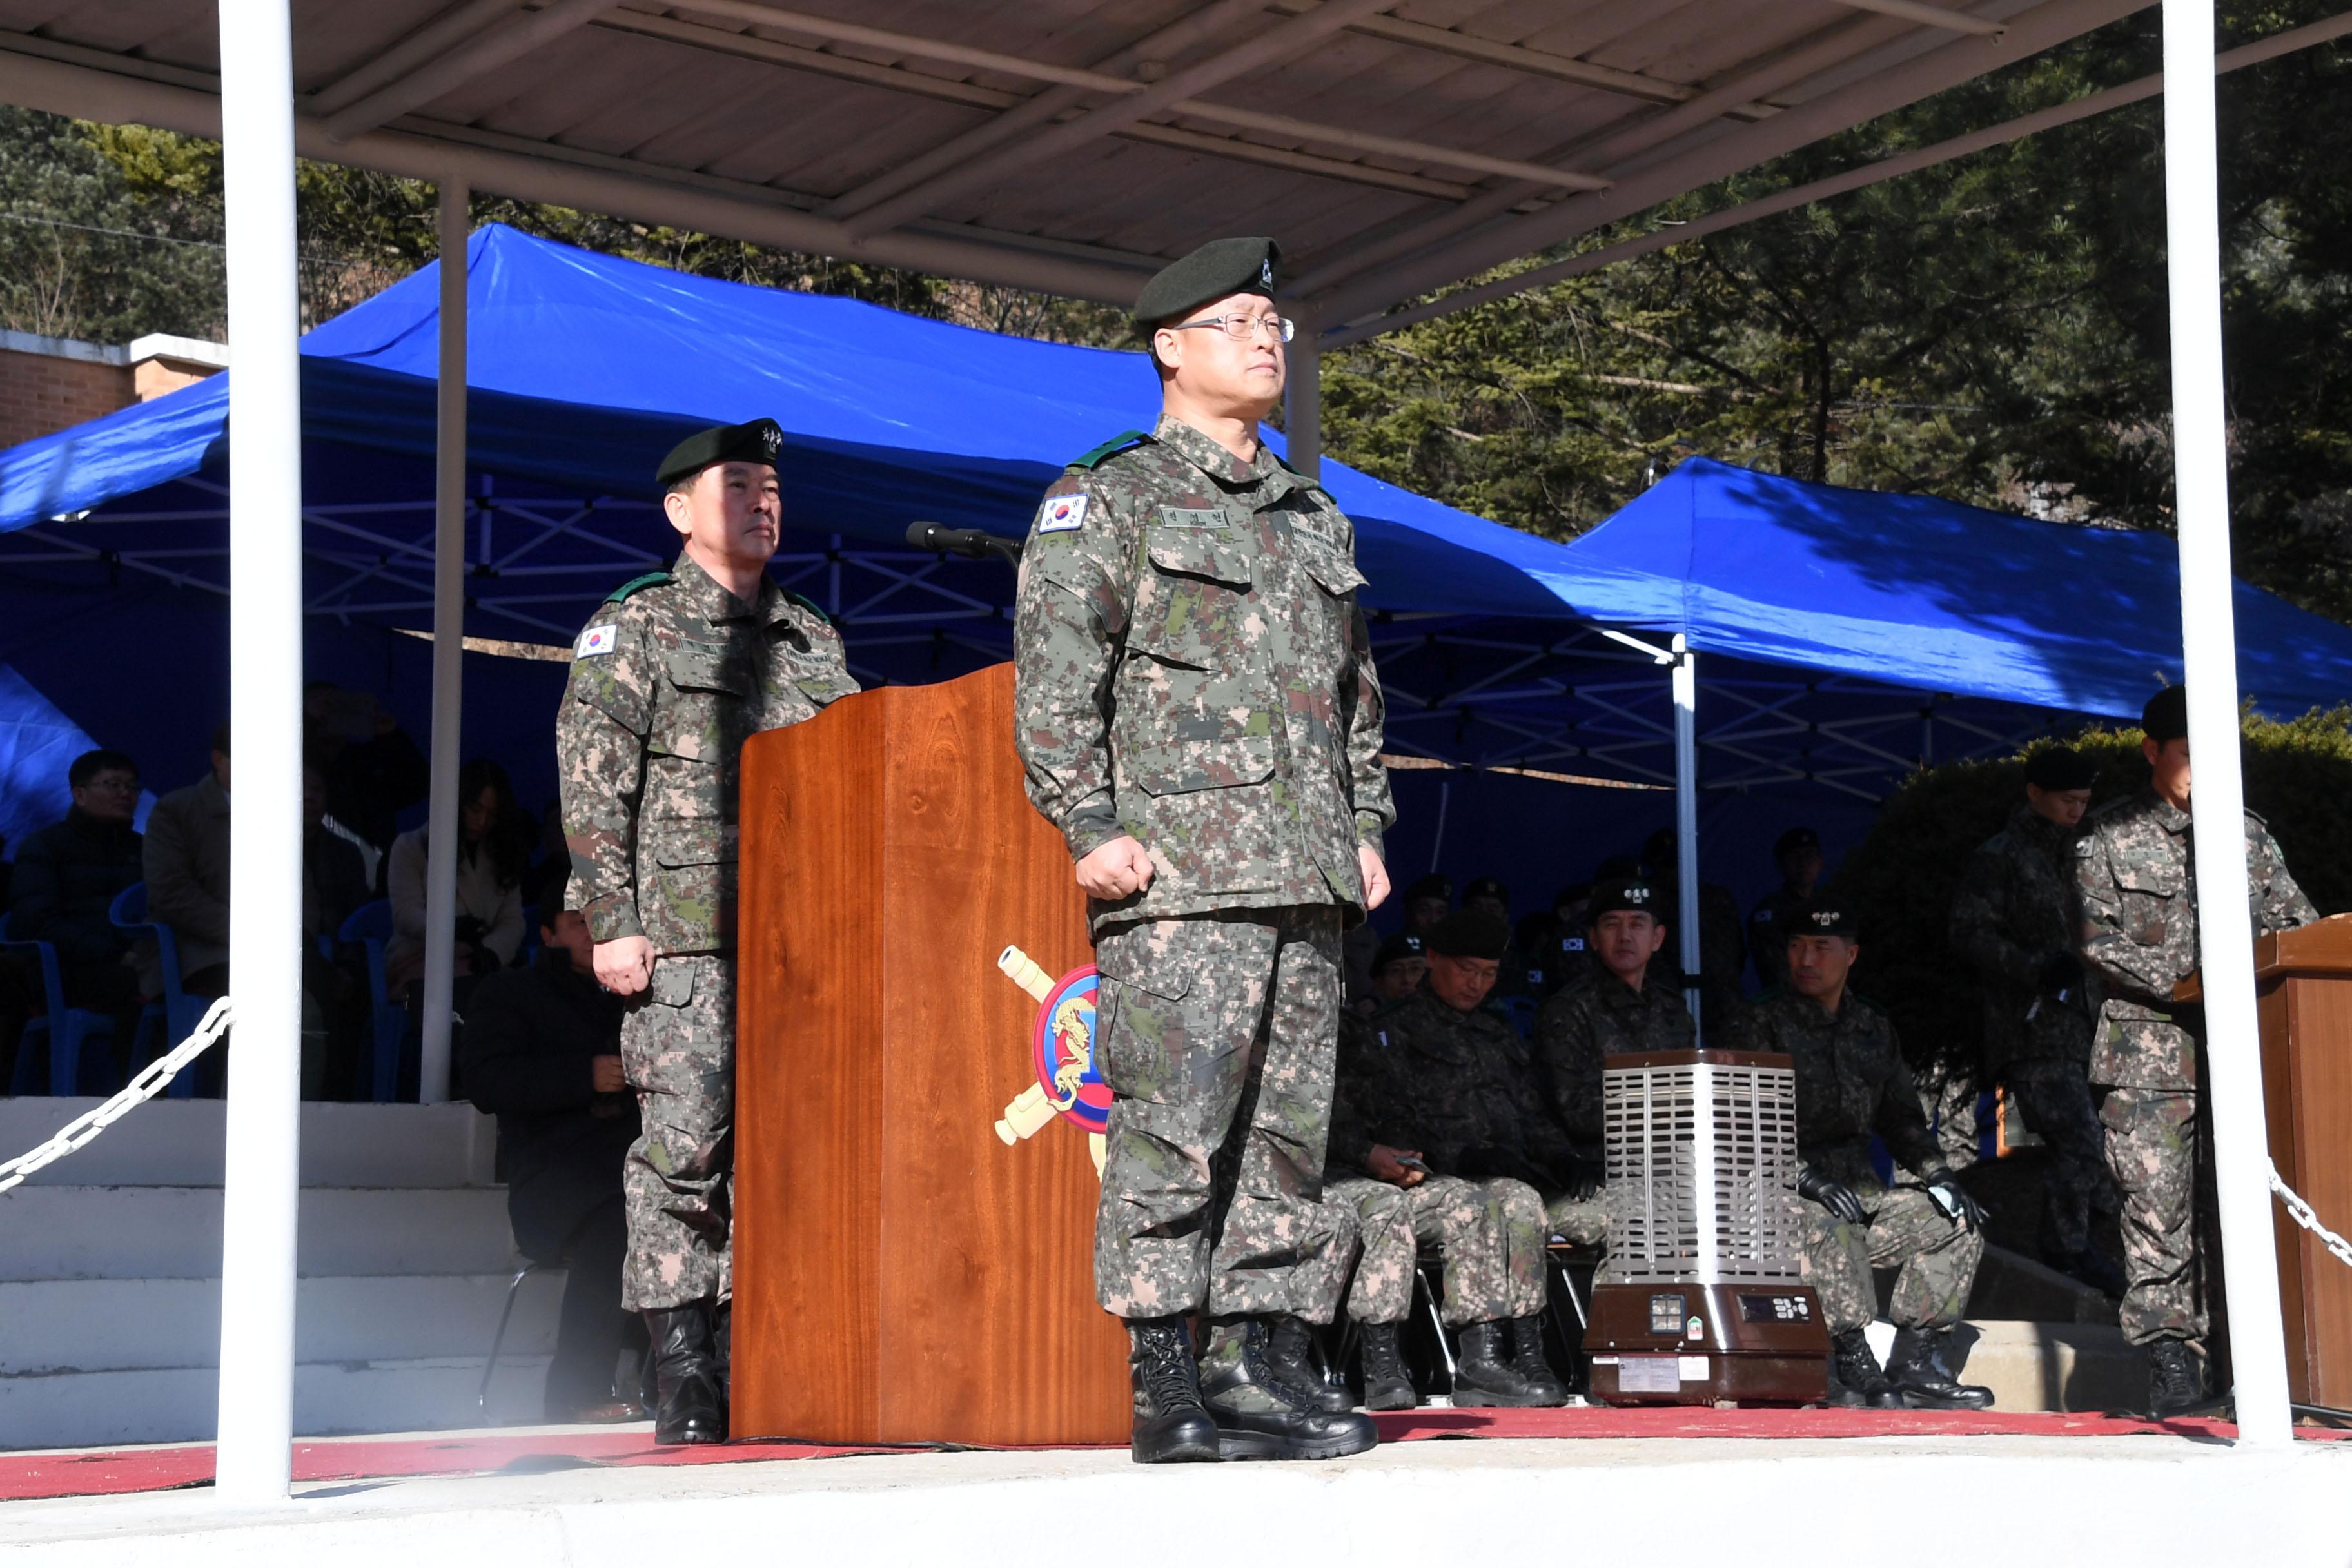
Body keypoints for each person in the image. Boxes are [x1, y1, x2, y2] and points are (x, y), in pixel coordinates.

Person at [1011, 237, 1389, 1465]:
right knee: (1174, 1129)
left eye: (1274, 321)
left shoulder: (1310, 511)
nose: (1267, 340)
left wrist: (1367, 828)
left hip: (1307, 874)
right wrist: (1088, 824)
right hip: (1180, 875)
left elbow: (1356, 699)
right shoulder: (1108, 494)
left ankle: (1255, 1358)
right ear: (1171, 348)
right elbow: (1058, 681)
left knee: (1286, 1137)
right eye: (1238, 322)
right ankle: (1163, 1371)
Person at [556, 416, 860, 1445]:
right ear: (681, 510)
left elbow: (869, 772)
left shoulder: (813, 638)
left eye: (773, 488)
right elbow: (596, 782)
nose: (763, 503)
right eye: (739, 486)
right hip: (687, 942)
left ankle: (769, 1346)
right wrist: (612, 921)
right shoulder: (633, 628)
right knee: (685, 1155)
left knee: (796, 1154)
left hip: (810, 949)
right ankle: (685, 1365)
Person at [2075, 686, 2315, 1416]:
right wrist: (2189, 984)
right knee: (2159, 1211)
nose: (2202, 769)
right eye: (2186, 753)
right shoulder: (2107, 837)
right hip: (2148, 1056)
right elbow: (2095, 937)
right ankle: (2172, 1364)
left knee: (2240, 1202)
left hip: (2243, 1052)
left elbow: (2296, 925)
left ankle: (2254, 1365)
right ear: (2152, 751)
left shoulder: (2245, 835)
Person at [1730, 898, 1993, 1410]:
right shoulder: (1759, 1023)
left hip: (1858, 1191)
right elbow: (1743, 1126)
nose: (1806, 960)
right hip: (1777, 1198)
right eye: (1796, 947)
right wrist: (1807, 1180)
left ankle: (1919, 1365)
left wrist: (1940, 1175)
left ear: (1851, 955)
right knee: (1833, 1226)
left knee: (1956, 1221)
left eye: (1821, 948)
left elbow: (1901, 1120)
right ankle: (1851, 1360)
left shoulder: (1873, 1028)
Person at [1349, 908, 1571, 1405]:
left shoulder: (1498, 1035)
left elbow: (1532, 1114)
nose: (1478, 984)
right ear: (1433, 960)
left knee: (1522, 1200)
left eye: (1489, 974)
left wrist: (1560, 1157)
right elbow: (1387, 1118)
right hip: (1421, 1177)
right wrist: (1458, 1155)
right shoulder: (1392, 1031)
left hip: (1495, 1177)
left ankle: (1527, 1352)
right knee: (1480, 1203)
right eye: (1467, 970)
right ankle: (1480, 1358)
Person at [460, 906, 644, 1423]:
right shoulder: (511, 994)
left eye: (604, 920)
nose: (594, 934)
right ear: (547, 933)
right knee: (618, 1230)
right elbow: (485, 1082)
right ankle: (576, 1391)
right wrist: (580, 1076)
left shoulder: (638, 995)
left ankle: (674, 1382)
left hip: (635, 1172)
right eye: (579, 923)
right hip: (556, 1185)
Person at [1948, 746, 2121, 1295]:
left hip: (2091, 1025)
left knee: (2101, 1142)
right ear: (2035, 794)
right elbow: (1968, 932)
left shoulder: (2083, 855)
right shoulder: (2002, 856)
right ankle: (2067, 1247)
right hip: (2034, 1029)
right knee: (2079, 1139)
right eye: (2067, 800)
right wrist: (2032, 969)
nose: (2077, 810)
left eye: (2084, 801)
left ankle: (2086, 1237)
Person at [1532, 875, 1694, 1252]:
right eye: (1611, 924)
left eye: (1637, 924)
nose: (1625, 936)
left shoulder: (1673, 1011)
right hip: (1597, 1176)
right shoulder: (1568, 1010)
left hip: (1672, 1174)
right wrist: (1668, 1105)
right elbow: (1578, 1112)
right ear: (1593, 938)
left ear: (1657, 938)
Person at [8, 749, 152, 1088]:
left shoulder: (147, 849)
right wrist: (114, 953)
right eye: (113, 784)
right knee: (143, 990)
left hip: (135, 963)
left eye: (132, 787)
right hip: (63, 972)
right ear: (80, 794)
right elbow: (35, 920)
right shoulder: (42, 847)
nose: (125, 794)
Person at [386, 758, 529, 995]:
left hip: (485, 962)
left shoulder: (503, 854)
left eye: (492, 815)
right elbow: (405, 913)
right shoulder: (411, 847)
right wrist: (447, 928)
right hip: (421, 960)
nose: (482, 822)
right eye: (476, 809)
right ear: (458, 801)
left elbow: (513, 920)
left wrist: (492, 951)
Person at [302, 681, 429, 870]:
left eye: (336, 705)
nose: (326, 713)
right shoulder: (291, 765)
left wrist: (390, 735)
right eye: (320, 705)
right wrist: (306, 718)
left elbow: (421, 785)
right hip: (306, 879)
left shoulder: (369, 762)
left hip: (371, 878)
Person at [1641, 827, 1747, 1030]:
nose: (1675, 870)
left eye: (1679, 861)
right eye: (1668, 864)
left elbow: (1737, 950)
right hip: (1668, 1005)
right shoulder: (1648, 904)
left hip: (1724, 1003)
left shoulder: (1717, 898)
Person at [1748, 827, 1822, 992]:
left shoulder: (1834, 906)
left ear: (1820, 862)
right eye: (1795, 857)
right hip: (1789, 1004)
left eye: (1809, 855)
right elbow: (1775, 971)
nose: (1803, 863)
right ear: (1781, 865)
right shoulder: (1769, 912)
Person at [1355, 931, 1424, 1015]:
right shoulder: (1366, 1024)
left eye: (1415, 969)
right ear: (1379, 982)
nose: (1407, 979)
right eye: (1396, 970)